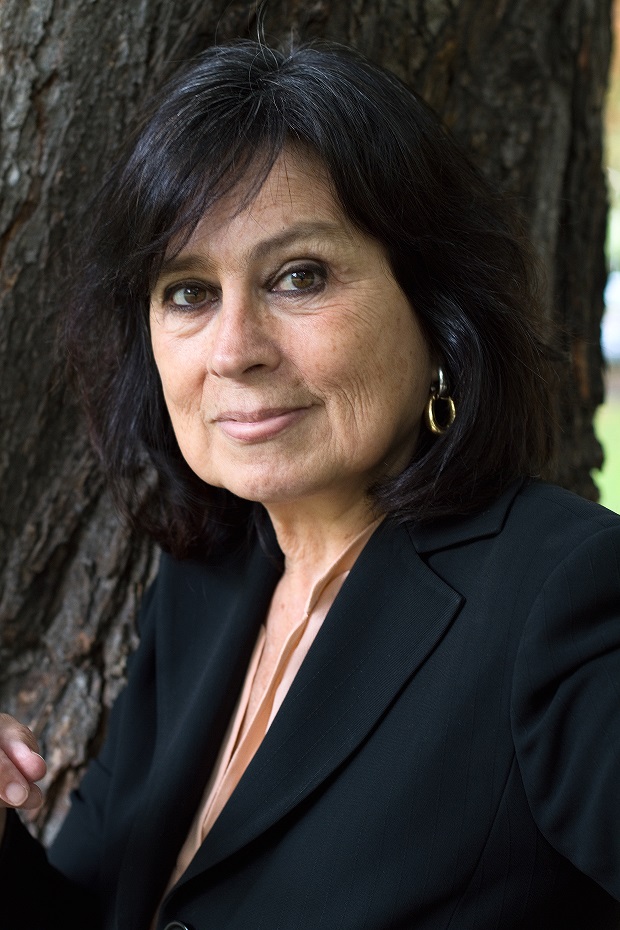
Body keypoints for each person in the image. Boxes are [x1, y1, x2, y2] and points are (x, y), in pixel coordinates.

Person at [0, 38, 619, 930]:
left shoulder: (566, 593)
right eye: (188, 291)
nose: (233, 350)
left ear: (438, 309)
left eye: (299, 277)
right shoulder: (203, 585)